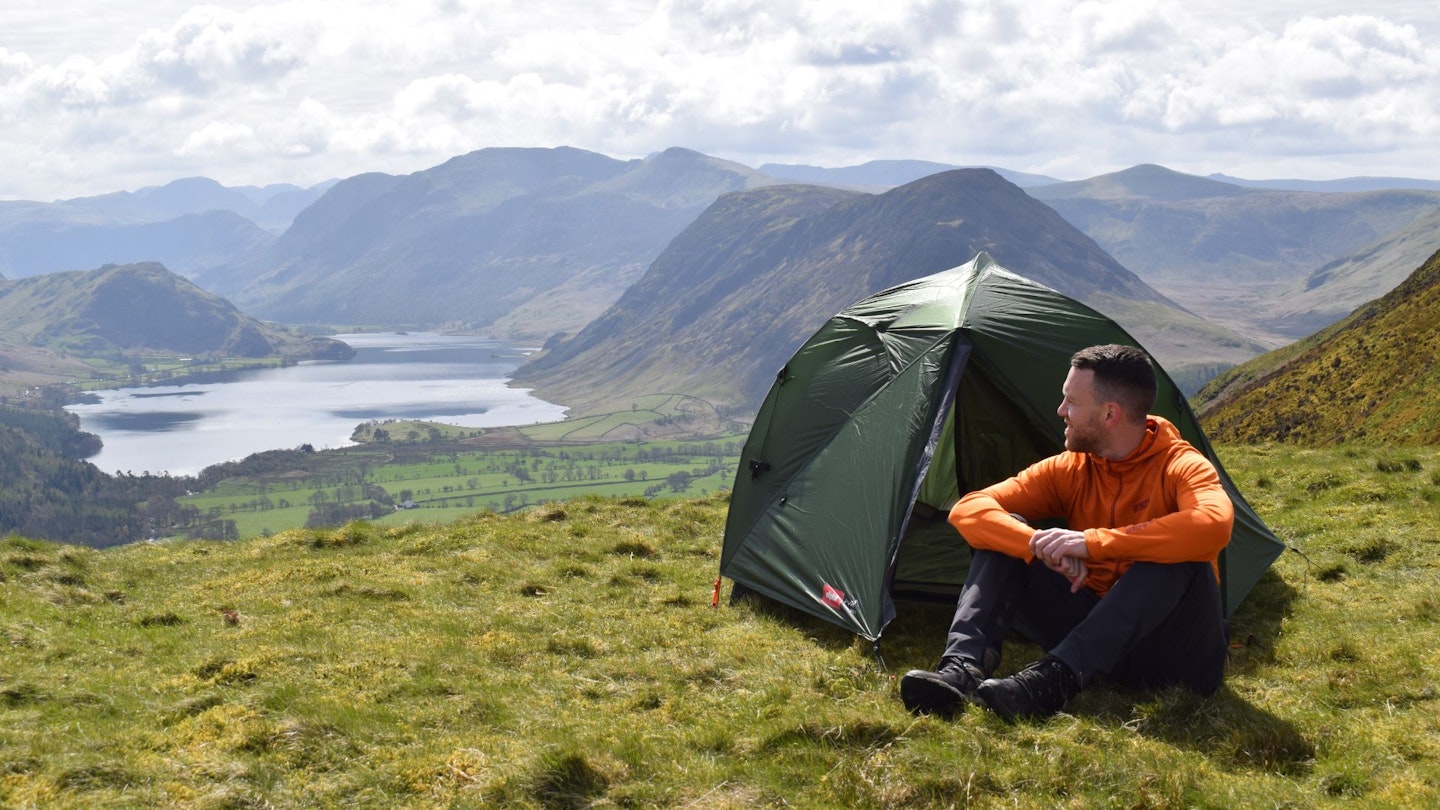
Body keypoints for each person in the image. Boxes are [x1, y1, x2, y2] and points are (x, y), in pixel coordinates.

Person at [900, 344, 1234, 722]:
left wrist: (1091, 544)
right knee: (1004, 533)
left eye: (1071, 402)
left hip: (1174, 655)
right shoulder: (1072, 468)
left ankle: (1051, 680)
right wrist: (1036, 546)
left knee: (1177, 558)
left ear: (1110, 413)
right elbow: (969, 510)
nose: (1061, 411)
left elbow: (1214, 523)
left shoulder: (1182, 464)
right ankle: (962, 670)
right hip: (1097, 633)